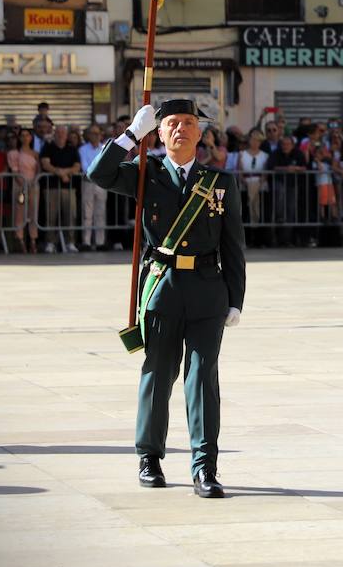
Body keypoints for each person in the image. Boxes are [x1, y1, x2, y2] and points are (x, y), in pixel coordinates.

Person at [86, 99, 246, 497]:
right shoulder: (146, 172)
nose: (181, 130)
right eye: (172, 124)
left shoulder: (220, 182)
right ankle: (149, 457)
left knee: (203, 377)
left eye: (189, 123)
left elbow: (234, 245)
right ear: (159, 133)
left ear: (201, 132)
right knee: (158, 374)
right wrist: (129, 135)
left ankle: (204, 466)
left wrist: (236, 299)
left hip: (209, 289)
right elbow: (98, 173)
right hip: (163, 288)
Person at [77, 125, 109, 252]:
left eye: (98, 133)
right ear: (88, 135)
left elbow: (106, 164)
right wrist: (95, 173)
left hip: (101, 183)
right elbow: (85, 166)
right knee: (87, 212)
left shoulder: (104, 148)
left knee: (100, 213)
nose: (96, 136)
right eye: (93, 133)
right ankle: (86, 241)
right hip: (88, 182)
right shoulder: (83, 149)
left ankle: (100, 242)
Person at [8, 127, 41, 253]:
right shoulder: (14, 153)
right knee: (19, 213)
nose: (25, 138)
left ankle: (33, 240)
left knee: (33, 213)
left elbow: (38, 169)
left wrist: (34, 181)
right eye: (22, 135)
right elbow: (15, 171)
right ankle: (20, 240)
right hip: (19, 185)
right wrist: (23, 184)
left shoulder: (35, 153)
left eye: (27, 135)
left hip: (33, 185)